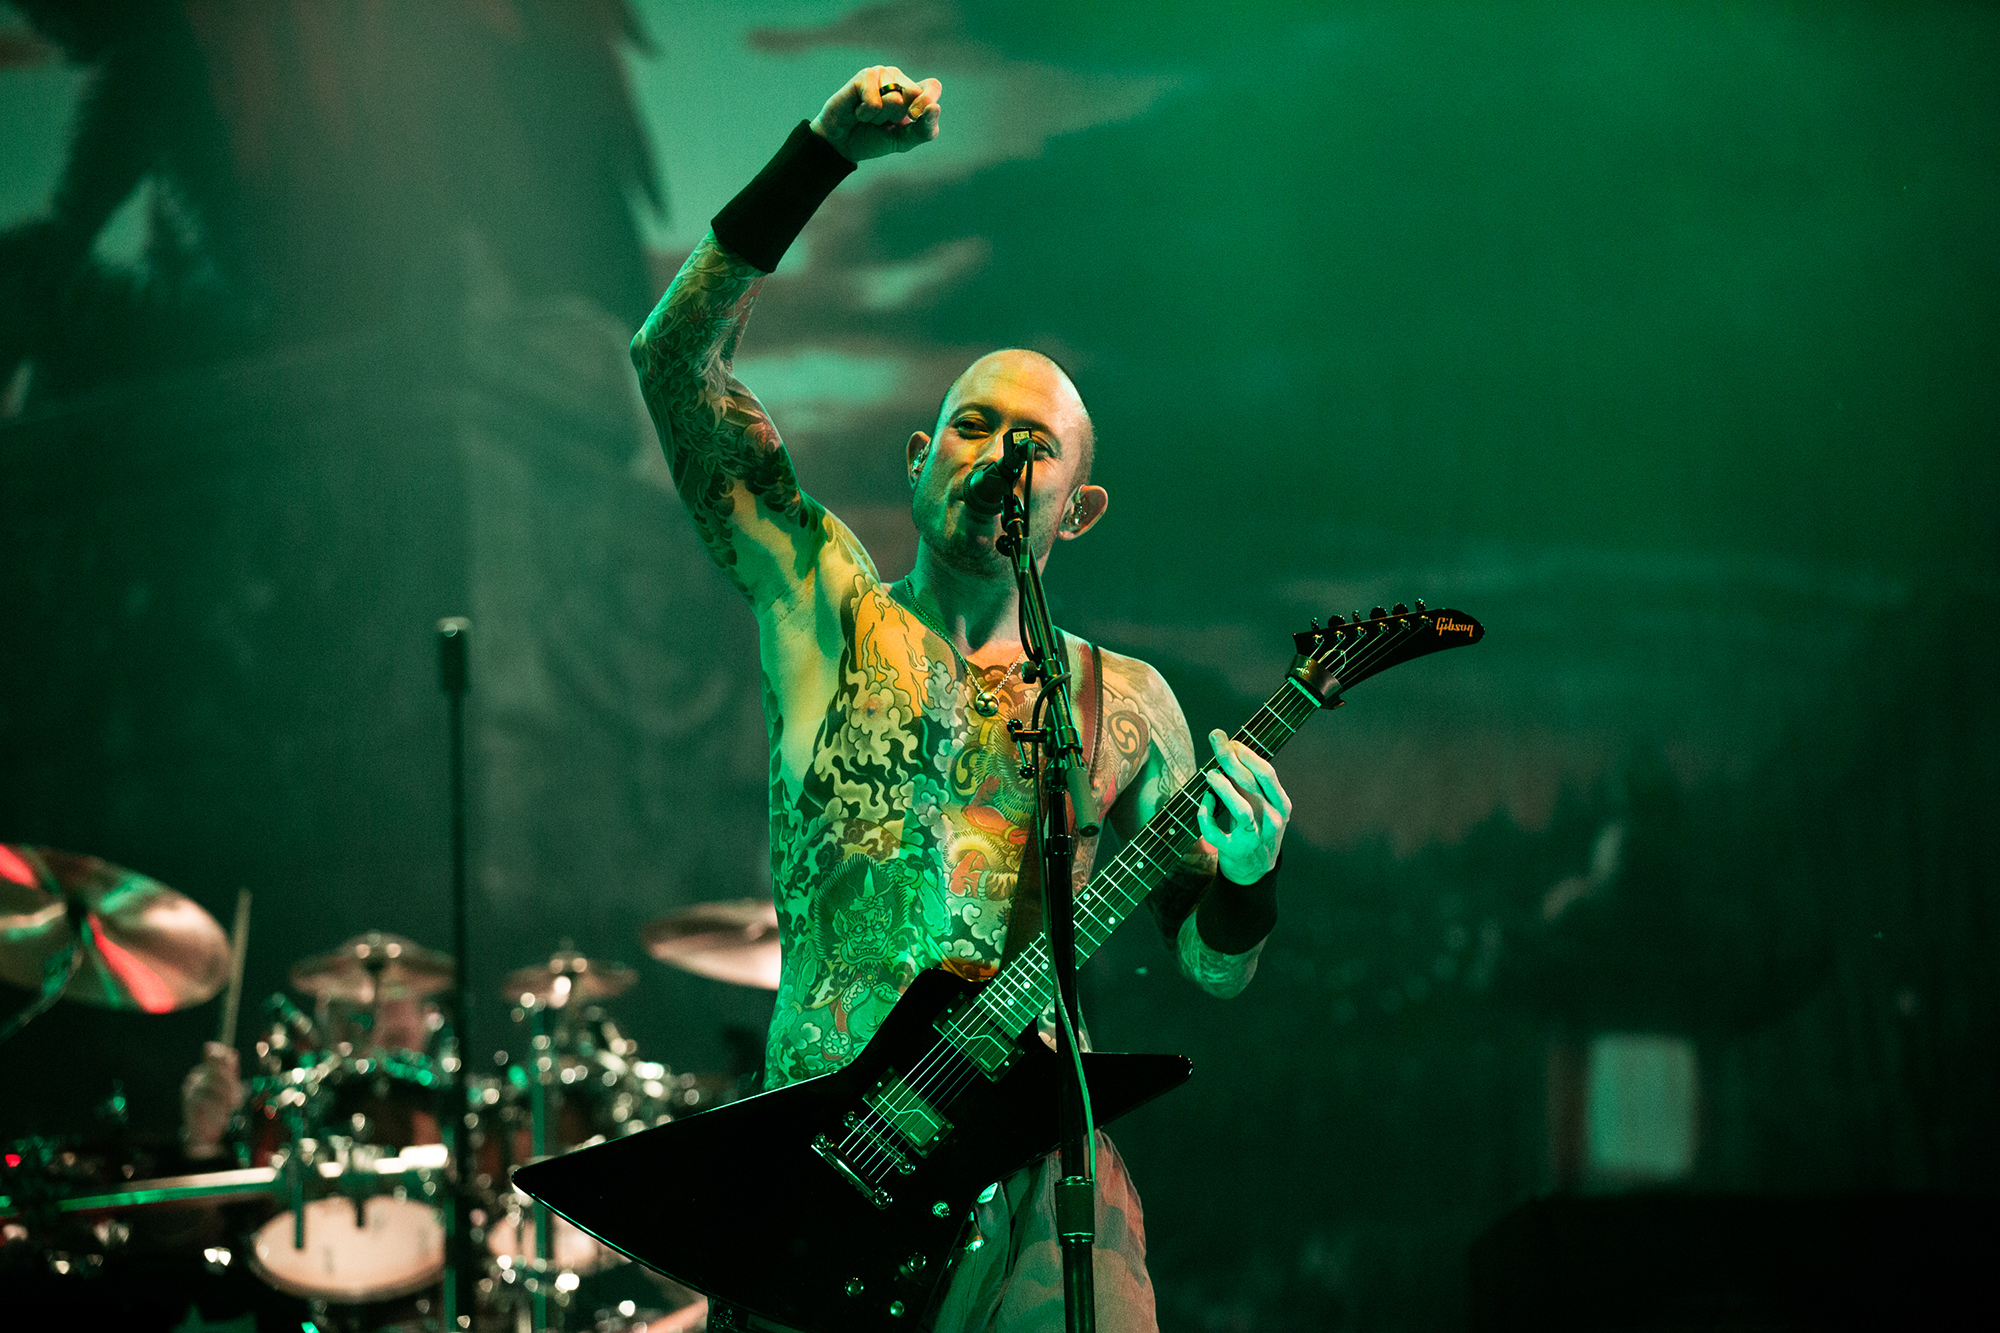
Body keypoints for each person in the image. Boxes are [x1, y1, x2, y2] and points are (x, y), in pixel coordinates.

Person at [635, 66, 1294, 1332]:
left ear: (1076, 510)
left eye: (1031, 446)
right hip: (832, 1179)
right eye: (972, 426)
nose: (998, 455)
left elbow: (1212, 968)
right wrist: (820, 154)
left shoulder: (1126, 701)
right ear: (917, 456)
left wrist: (1251, 875)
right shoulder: (823, 606)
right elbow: (672, 359)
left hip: (1042, 1192)